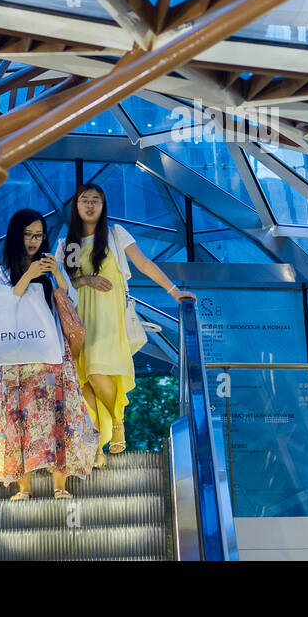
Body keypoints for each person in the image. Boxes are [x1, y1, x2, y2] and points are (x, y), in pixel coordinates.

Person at [56, 182, 195, 465]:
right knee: (85, 385)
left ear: (103, 206)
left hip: (108, 317)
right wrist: (86, 280)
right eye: (85, 200)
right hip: (77, 320)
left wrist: (174, 291)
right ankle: (95, 447)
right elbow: (59, 284)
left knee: (96, 373)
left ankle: (118, 422)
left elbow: (143, 263)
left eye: (96, 200)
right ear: (76, 206)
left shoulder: (115, 234)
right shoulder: (66, 244)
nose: (91, 205)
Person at [0, 208, 99, 499]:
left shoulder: (49, 266)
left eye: (39, 235)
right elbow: (4, 303)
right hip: (17, 360)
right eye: (29, 235)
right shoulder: (2, 272)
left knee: (59, 417)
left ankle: (60, 486)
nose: (34, 241)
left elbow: (70, 301)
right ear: (16, 236)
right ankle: (24, 488)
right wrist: (29, 275)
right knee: (19, 418)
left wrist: (57, 273)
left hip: (51, 354)